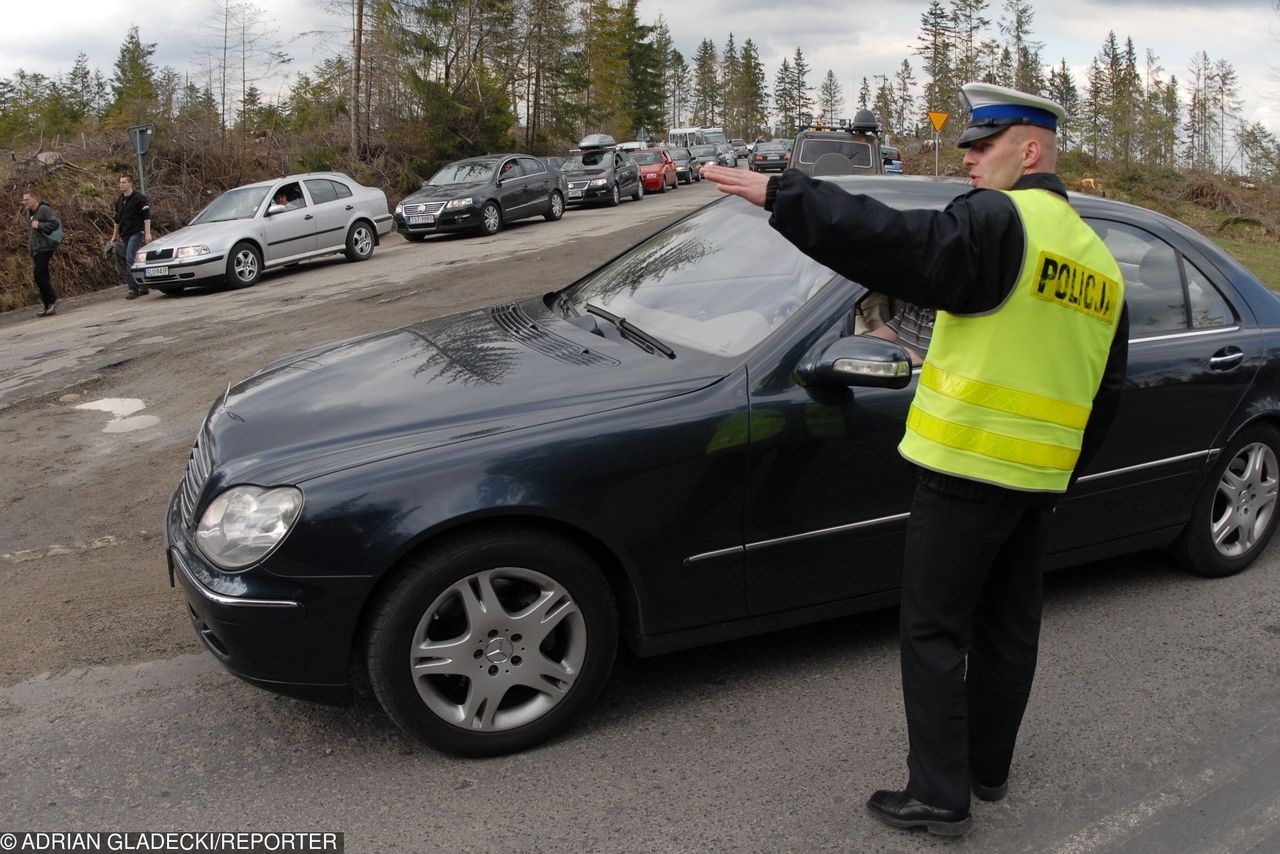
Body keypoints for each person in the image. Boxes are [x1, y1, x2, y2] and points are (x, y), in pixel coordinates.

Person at [702, 82, 1128, 836]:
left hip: (966, 467)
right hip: (1036, 480)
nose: (968, 158)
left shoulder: (1001, 218)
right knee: (1008, 628)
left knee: (934, 630)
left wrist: (787, 194)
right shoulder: (1098, 259)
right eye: (965, 145)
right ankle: (987, 769)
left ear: (1028, 150)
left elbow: (897, 246)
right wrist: (1061, 470)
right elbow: (1108, 388)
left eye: (983, 146)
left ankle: (938, 794)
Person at [109, 174, 152, 300]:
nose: (121, 184)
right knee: (136, 260)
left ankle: (133, 289)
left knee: (130, 259)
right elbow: (116, 220)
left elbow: (146, 217)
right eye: (120, 182)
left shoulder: (139, 198)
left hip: (136, 232)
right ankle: (143, 286)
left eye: (123, 182)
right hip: (125, 234)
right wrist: (114, 236)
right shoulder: (119, 201)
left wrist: (147, 233)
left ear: (130, 183)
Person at [22, 189, 60, 317]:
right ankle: (48, 306)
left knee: (38, 275)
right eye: (24, 200)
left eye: (27, 199)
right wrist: (31, 249)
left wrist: (40, 225)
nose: (24, 202)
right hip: (36, 249)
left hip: (45, 247)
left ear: (34, 198)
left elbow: (55, 223)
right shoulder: (28, 213)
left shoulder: (43, 209)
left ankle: (52, 300)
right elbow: (32, 233)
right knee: (43, 275)